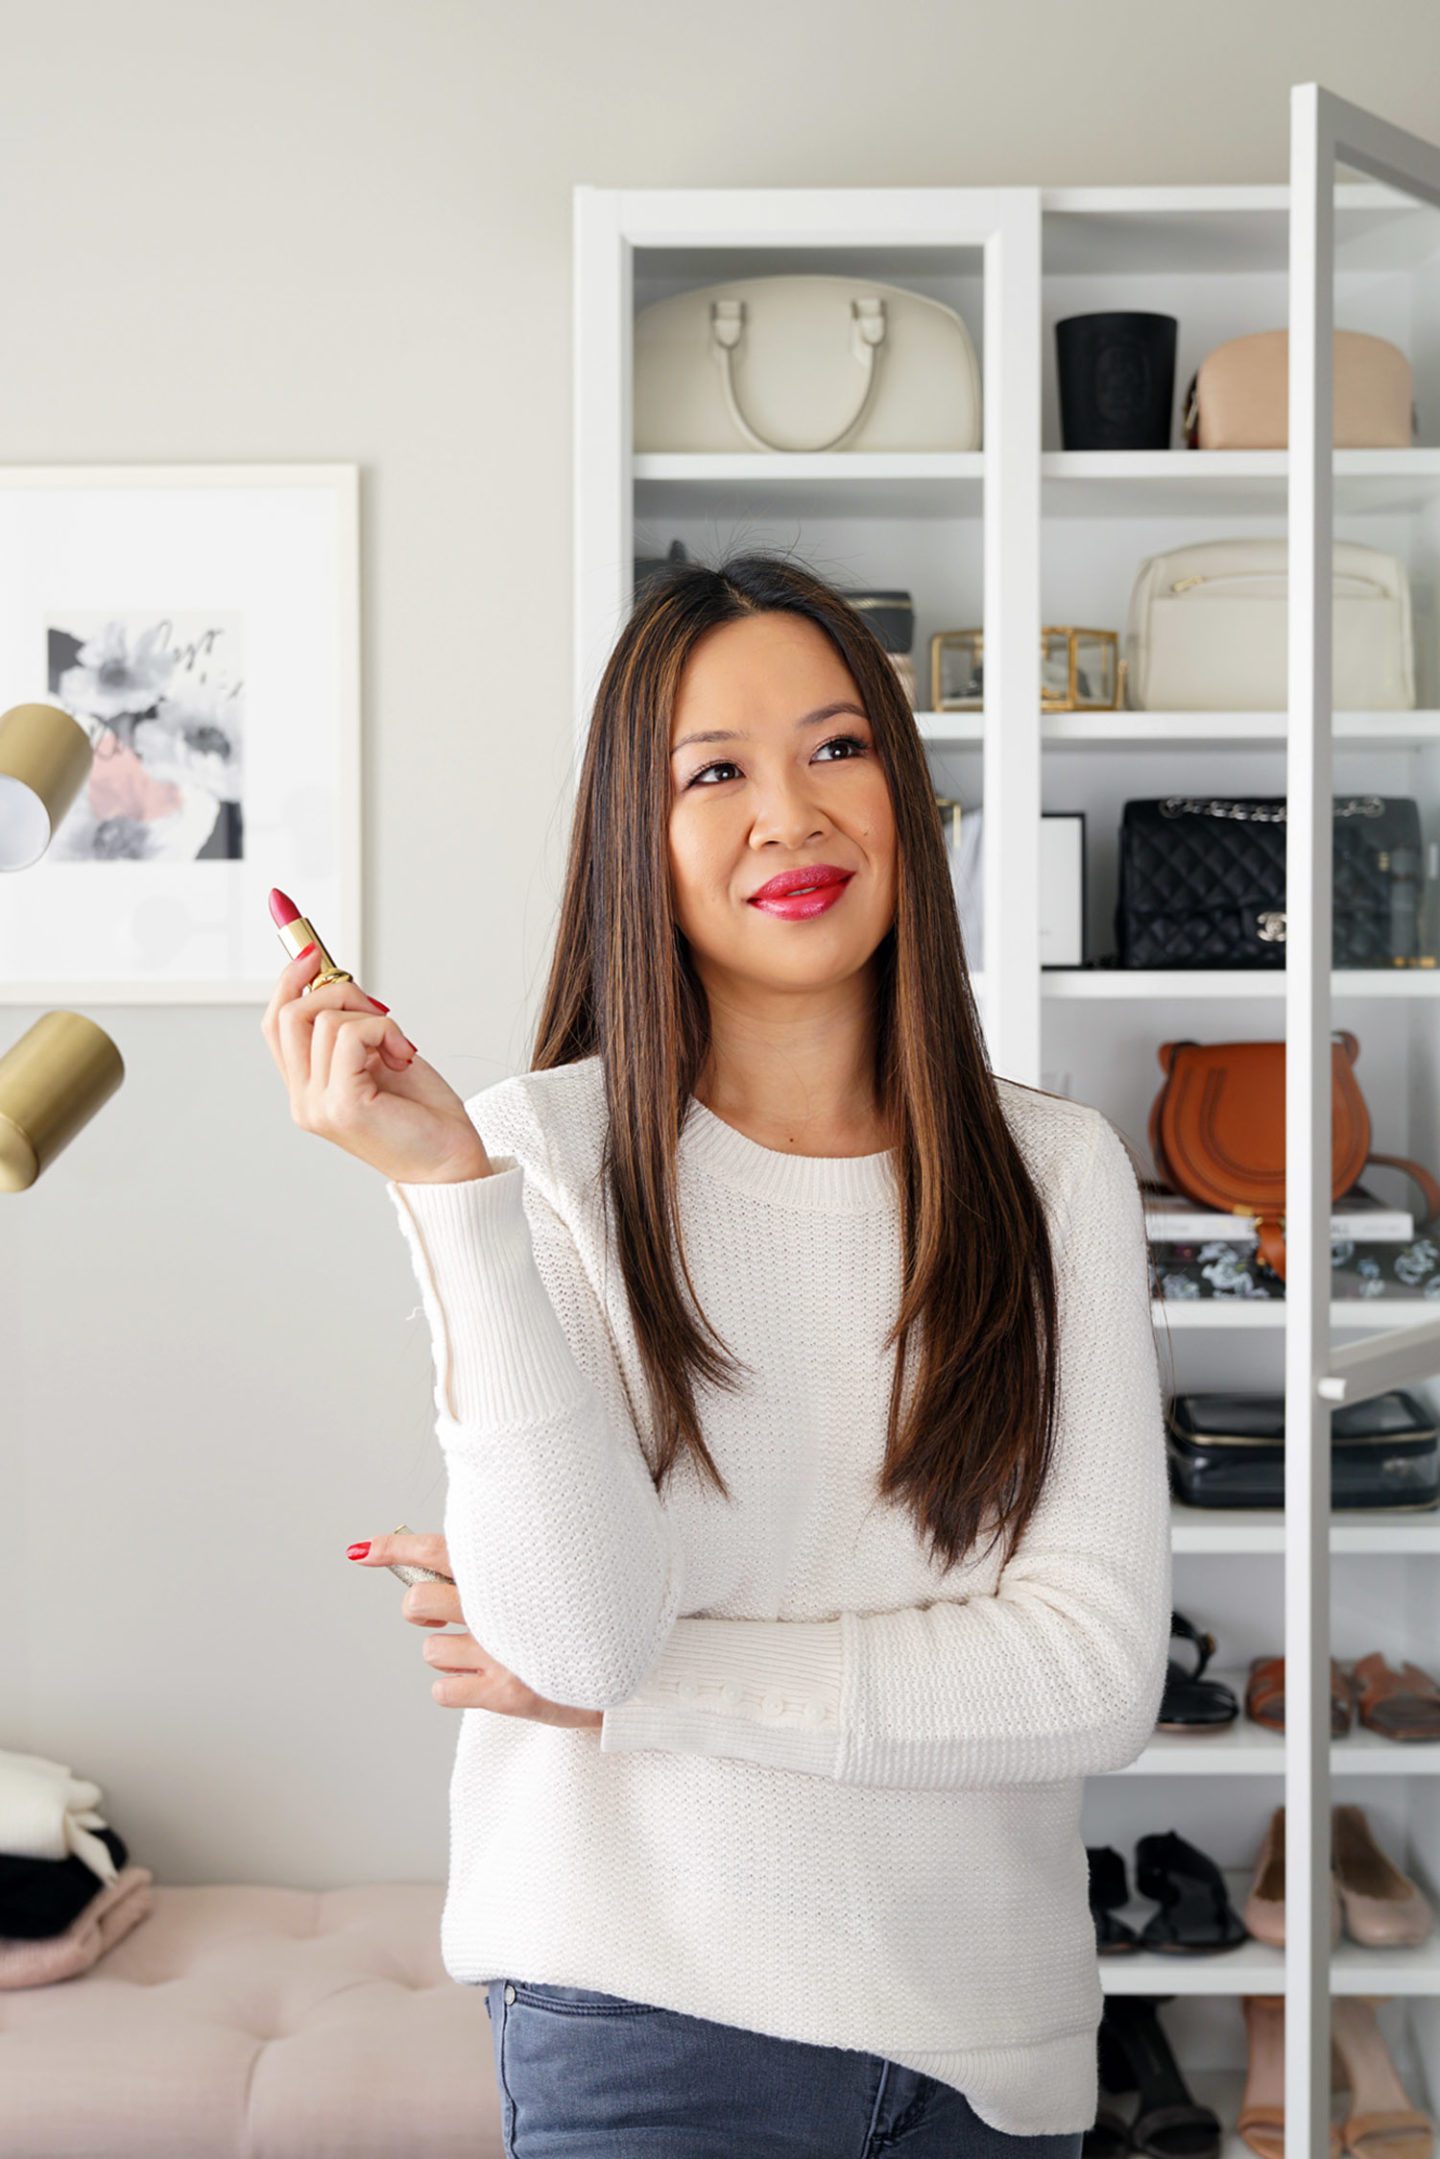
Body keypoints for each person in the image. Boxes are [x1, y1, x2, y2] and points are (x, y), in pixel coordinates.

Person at [262, 550, 1172, 2156]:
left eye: (838, 748)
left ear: (905, 789)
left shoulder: (1057, 1174)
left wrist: (652, 1694)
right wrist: (443, 1196)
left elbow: (1093, 1674)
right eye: (715, 772)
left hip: (995, 2046)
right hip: (647, 2031)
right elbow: (579, 1638)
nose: (791, 817)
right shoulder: (529, 1157)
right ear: (640, 835)